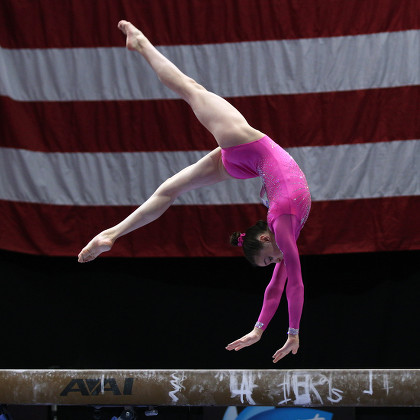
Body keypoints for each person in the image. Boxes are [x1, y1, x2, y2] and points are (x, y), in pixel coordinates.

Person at [78, 20, 311, 363]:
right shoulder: (284, 223)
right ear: (264, 239)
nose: (277, 261)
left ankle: (112, 234)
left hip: (247, 162)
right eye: (271, 259)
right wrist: (290, 332)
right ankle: (142, 42)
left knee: (170, 190)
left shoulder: (283, 229)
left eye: (270, 261)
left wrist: (260, 329)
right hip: (245, 142)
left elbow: (278, 284)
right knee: (190, 89)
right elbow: (294, 284)